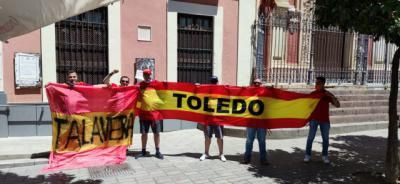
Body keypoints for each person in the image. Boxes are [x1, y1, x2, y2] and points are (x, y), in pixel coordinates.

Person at [304, 76, 340, 164]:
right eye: (316, 83)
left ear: (323, 84)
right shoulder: (313, 94)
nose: (316, 85)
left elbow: (337, 105)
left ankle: (325, 156)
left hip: (324, 120)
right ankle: (307, 155)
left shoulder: (327, 94)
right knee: (310, 138)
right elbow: (307, 107)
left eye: (318, 83)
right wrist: (307, 119)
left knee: (325, 139)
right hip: (314, 120)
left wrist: (331, 96)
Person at [136, 69, 164, 159]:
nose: (148, 76)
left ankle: (157, 151)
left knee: (157, 133)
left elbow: (169, 89)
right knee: (144, 134)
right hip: (143, 114)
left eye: (149, 75)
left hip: (155, 114)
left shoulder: (157, 83)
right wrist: (137, 110)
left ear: (151, 75)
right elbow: (136, 96)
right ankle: (143, 151)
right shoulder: (140, 85)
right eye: (146, 75)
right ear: (143, 76)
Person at [243, 78, 270, 165]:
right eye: (255, 83)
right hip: (251, 122)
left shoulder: (264, 95)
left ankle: (263, 159)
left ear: (261, 84)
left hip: (261, 123)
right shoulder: (249, 94)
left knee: (262, 141)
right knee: (249, 141)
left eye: (258, 83)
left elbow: (267, 110)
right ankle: (247, 158)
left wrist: (268, 124)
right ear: (253, 84)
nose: (257, 85)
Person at [200, 76, 226, 162]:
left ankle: (221, 154)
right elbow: (196, 93)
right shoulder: (206, 90)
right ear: (210, 82)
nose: (214, 83)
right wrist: (196, 86)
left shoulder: (222, 90)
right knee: (207, 137)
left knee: (220, 138)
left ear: (217, 82)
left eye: (215, 82)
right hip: (208, 119)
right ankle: (206, 153)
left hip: (219, 119)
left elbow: (233, 95)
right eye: (212, 81)